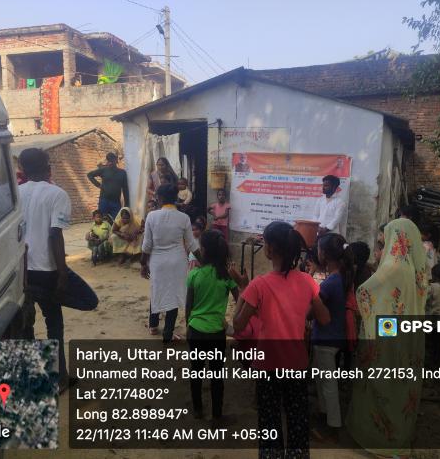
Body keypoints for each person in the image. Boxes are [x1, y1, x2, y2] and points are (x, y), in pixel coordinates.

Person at [233, 221, 330, 457]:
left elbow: (238, 325)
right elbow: (324, 318)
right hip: (297, 363)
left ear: (270, 249)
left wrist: (242, 289)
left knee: (269, 420)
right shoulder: (307, 281)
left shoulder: (259, 284)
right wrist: (299, 312)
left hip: (268, 365)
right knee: (297, 418)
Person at [346, 217, 428, 456]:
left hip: (388, 334)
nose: (379, 249)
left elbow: (365, 291)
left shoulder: (393, 268)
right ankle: (399, 436)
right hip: (407, 334)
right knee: (400, 385)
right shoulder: (415, 267)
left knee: (381, 382)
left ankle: (377, 437)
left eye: (383, 243)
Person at [18, 148, 98, 389]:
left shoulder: (15, 194)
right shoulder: (56, 193)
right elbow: (55, 235)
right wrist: (62, 274)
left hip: (22, 272)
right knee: (67, 314)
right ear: (48, 167)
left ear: (22, 169)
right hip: (48, 271)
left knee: (27, 327)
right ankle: (60, 377)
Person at [185, 230, 239, 422]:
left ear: (205, 251)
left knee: (196, 372)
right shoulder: (226, 277)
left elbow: (188, 306)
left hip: (196, 331)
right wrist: (231, 324)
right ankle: (217, 414)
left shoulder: (194, 275)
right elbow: (240, 299)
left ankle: (198, 410)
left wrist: (188, 327)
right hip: (217, 333)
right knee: (217, 375)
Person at [141, 184, 200, 343]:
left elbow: (147, 245)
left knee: (157, 290)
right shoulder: (183, 218)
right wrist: (205, 262)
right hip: (177, 262)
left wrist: (143, 264)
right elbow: (192, 244)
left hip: (157, 262)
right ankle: (168, 333)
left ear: (159, 198)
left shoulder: (151, 216)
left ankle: (153, 326)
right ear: (175, 198)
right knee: (173, 295)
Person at [312, 233, 356, 439]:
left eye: (319, 249)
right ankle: (325, 415)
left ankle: (333, 426)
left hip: (325, 339)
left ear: (325, 255)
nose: (317, 252)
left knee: (327, 385)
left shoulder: (330, 283)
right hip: (334, 337)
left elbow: (313, 310)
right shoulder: (342, 278)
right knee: (323, 381)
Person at [87, 152, 130, 220]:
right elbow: (89, 175)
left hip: (116, 202)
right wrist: (99, 185)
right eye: (109, 160)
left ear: (116, 160)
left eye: (112, 160)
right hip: (104, 200)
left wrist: (127, 204)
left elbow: (125, 189)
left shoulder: (122, 173)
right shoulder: (104, 170)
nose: (110, 162)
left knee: (116, 221)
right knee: (102, 221)